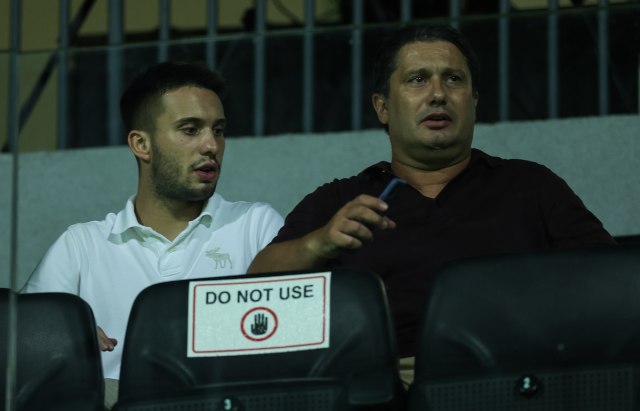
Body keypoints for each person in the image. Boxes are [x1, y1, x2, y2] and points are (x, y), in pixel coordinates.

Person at [247, 24, 616, 386]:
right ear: (382, 107)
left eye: (453, 79)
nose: (438, 94)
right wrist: (321, 243)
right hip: (390, 381)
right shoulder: (339, 201)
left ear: (474, 101)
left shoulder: (531, 185)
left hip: (518, 373)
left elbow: (611, 282)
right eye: (418, 79)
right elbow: (254, 292)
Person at [22, 61, 284, 406]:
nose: (211, 145)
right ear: (141, 144)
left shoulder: (255, 224)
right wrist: (57, 334)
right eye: (190, 129)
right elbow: (20, 346)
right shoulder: (81, 245)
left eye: (218, 130)